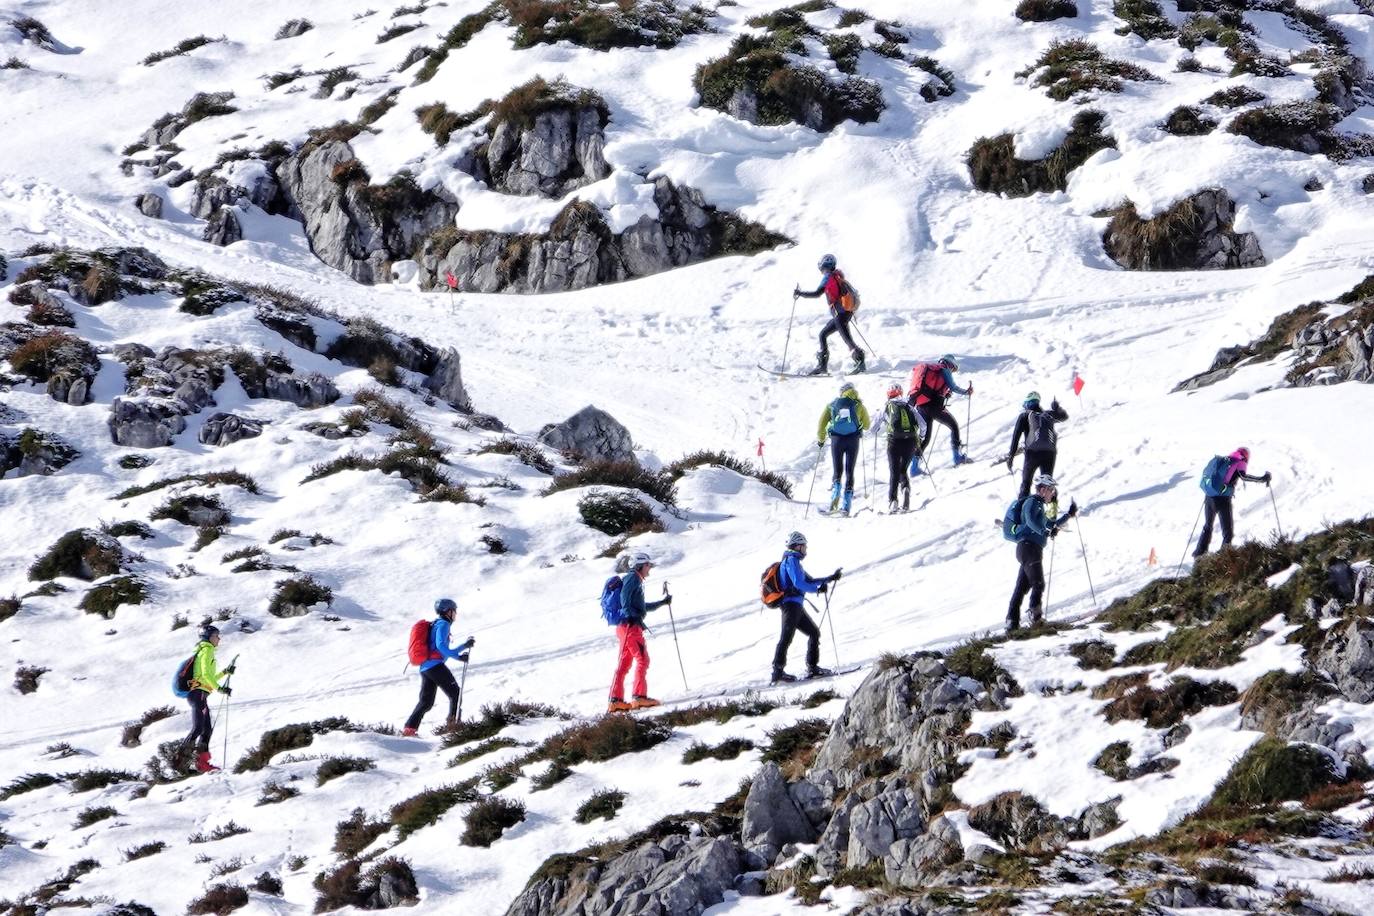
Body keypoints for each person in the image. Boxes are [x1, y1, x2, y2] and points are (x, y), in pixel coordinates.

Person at [1006, 474, 1077, 632]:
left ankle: (1011, 622)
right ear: (1043, 489)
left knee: (1021, 587)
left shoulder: (1039, 506)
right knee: (1038, 583)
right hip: (1029, 548)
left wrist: (1068, 515)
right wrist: (1044, 531)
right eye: (1051, 490)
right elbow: (1031, 521)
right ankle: (1036, 618)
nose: (1053, 493)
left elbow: (1051, 524)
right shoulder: (1032, 502)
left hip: (1029, 549)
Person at [772, 531, 838, 683]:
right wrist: (817, 590)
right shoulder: (791, 561)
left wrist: (830, 578)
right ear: (798, 546)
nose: (806, 549)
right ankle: (777, 673)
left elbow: (810, 580)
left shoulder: (793, 562)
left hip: (796, 606)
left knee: (813, 633)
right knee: (786, 638)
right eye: (804, 546)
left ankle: (812, 668)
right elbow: (799, 583)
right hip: (791, 606)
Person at [609, 552, 671, 712]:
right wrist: (630, 616)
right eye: (648, 565)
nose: (649, 568)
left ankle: (615, 701)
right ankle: (639, 697)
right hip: (631, 626)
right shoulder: (633, 578)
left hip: (624, 626)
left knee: (624, 663)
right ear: (640, 565)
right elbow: (625, 599)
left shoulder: (634, 579)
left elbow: (641, 605)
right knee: (643, 659)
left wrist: (662, 603)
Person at [403, 599, 474, 737]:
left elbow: (439, 648)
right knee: (455, 694)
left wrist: (464, 646)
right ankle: (453, 727)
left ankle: (409, 729)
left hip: (426, 668)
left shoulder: (436, 624)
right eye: (454, 611)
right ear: (448, 611)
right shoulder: (443, 624)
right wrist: (458, 657)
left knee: (426, 702)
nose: (456, 614)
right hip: (435, 666)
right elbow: (441, 646)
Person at [795, 253, 865, 375]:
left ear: (823, 266)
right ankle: (822, 366)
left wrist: (800, 293)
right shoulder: (838, 276)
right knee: (823, 334)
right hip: (844, 313)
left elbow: (817, 293)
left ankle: (860, 362)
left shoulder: (828, 276)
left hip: (840, 314)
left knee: (847, 340)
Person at [1193, 447, 1271, 557]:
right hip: (1223, 499)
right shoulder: (1240, 462)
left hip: (1209, 497)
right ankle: (1223, 557)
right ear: (1246, 457)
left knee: (1207, 526)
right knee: (1228, 532)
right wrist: (1262, 479)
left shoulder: (1224, 460)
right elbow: (1244, 477)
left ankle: (1199, 553)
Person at [185, 624, 234, 773]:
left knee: (206, 730)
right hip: (198, 694)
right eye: (216, 635)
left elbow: (208, 678)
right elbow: (206, 676)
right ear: (208, 637)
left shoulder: (206, 650)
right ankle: (181, 760)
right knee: (198, 728)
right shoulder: (207, 650)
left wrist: (225, 672)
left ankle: (201, 763)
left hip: (200, 694)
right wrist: (220, 689)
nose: (218, 638)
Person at [908, 355, 972, 468]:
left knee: (925, 438)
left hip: (921, 405)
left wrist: (943, 393)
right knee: (954, 426)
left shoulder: (933, 369)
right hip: (934, 407)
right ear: (951, 364)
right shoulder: (944, 369)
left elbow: (935, 388)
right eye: (953, 368)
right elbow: (953, 387)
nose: (952, 371)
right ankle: (957, 457)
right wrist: (966, 392)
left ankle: (914, 467)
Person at [817, 382, 870, 516]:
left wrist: (821, 440)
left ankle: (834, 499)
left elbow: (821, 424)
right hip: (853, 440)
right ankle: (846, 506)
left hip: (837, 439)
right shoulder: (859, 405)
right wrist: (859, 424)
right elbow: (867, 425)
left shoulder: (833, 404)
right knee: (849, 471)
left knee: (837, 470)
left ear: (842, 392)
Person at [872, 383, 924, 512]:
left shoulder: (886, 407)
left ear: (888, 394)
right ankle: (905, 489)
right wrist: (921, 437)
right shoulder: (909, 406)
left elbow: (873, 429)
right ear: (901, 393)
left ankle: (893, 501)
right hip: (911, 441)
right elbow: (923, 425)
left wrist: (879, 428)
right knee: (902, 470)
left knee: (894, 471)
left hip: (894, 441)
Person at [1006, 392, 1068, 499]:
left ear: (1027, 404)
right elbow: (1064, 417)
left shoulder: (1024, 416)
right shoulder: (1048, 414)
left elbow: (1016, 436)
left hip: (1032, 453)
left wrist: (1011, 456)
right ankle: (1051, 514)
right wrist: (1057, 408)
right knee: (1047, 486)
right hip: (1049, 453)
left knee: (1026, 484)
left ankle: (1021, 511)